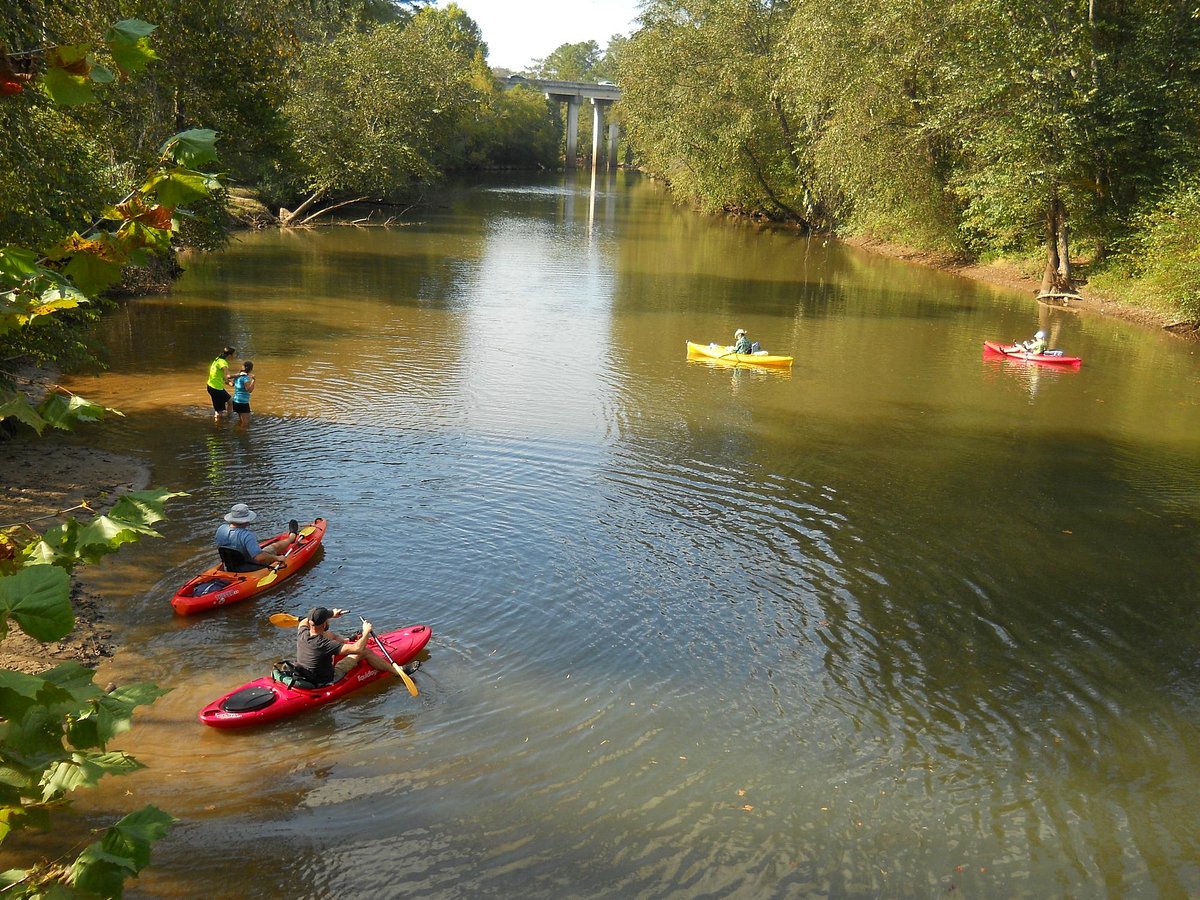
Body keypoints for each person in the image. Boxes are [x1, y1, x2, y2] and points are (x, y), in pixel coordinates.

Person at [295, 606, 410, 686]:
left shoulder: (303, 633)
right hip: (326, 679)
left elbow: (303, 621)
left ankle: (346, 640)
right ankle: (398, 671)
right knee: (364, 651)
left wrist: (330, 614)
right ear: (325, 623)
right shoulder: (323, 644)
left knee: (330, 635)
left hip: (307, 675)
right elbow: (357, 649)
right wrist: (366, 631)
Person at [214, 503, 297, 573]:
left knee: (271, 548)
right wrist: (277, 558)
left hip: (230, 567)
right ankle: (292, 537)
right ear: (246, 520)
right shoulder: (247, 535)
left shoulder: (221, 529)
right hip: (251, 567)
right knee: (275, 547)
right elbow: (259, 558)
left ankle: (291, 538)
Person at [206, 347, 236, 420]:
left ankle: (225, 419)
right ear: (230, 355)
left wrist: (229, 383)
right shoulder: (223, 363)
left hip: (211, 386)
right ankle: (220, 425)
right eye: (235, 354)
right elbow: (228, 376)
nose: (235, 356)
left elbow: (221, 376)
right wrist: (241, 374)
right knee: (220, 411)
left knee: (229, 402)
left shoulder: (218, 359)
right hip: (216, 388)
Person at [231, 360, 255, 427]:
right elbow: (249, 390)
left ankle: (237, 432)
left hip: (236, 400)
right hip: (243, 402)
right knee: (245, 422)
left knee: (241, 420)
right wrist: (253, 380)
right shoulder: (245, 378)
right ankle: (242, 435)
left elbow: (232, 384)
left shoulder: (237, 376)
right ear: (250, 369)